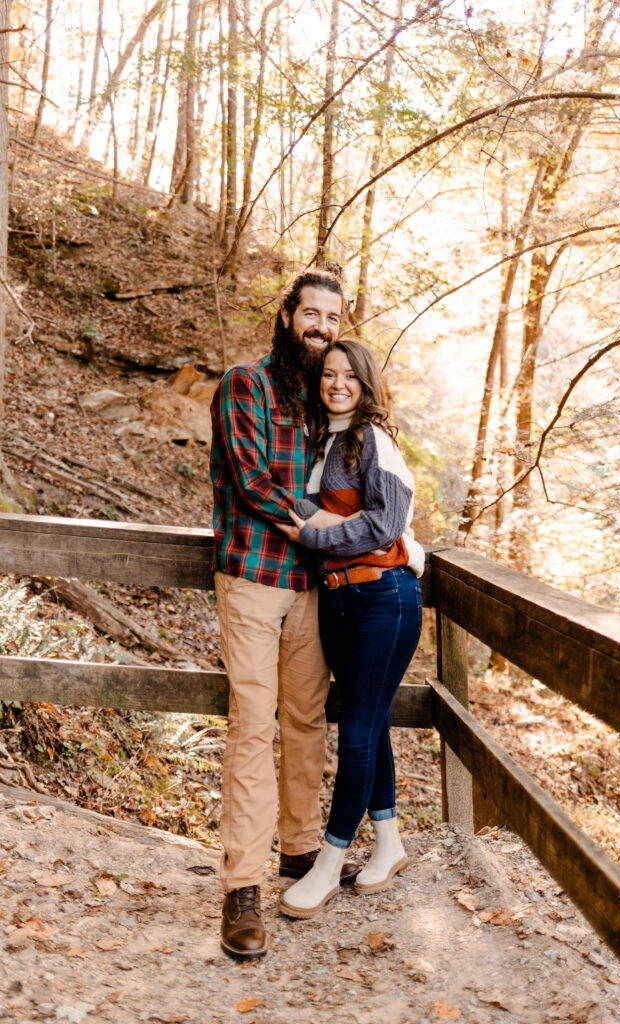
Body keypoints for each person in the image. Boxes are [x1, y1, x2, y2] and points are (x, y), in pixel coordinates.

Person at [210, 270, 359, 962]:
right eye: (311, 313)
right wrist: (319, 529)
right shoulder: (246, 384)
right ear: (287, 315)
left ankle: (298, 850)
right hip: (253, 578)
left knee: (305, 719)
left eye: (332, 317)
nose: (321, 327)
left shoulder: (326, 401)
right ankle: (241, 886)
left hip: (312, 589)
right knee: (251, 722)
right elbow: (252, 479)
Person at [275, 338, 424, 919]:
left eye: (349, 377)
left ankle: (330, 863)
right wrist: (323, 523)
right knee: (371, 721)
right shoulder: (321, 443)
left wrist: (316, 532)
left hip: (383, 600)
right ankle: (388, 844)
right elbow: (317, 514)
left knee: (357, 729)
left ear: (365, 385)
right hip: (337, 602)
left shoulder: (374, 441)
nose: (337, 384)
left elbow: (385, 523)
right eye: (328, 375)